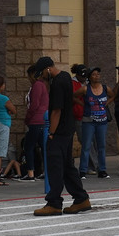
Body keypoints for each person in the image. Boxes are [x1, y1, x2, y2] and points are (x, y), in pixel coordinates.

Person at [32, 56, 91, 216]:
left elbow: (56, 110)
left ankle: (54, 203)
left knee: (55, 166)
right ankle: (81, 199)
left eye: (43, 73)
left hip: (58, 132)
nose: (43, 77)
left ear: (48, 69)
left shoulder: (57, 83)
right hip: (68, 129)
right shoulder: (65, 76)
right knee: (67, 166)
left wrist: (51, 132)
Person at [75, 66, 114, 179]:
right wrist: (83, 105)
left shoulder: (105, 88)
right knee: (86, 146)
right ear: (89, 77)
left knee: (101, 146)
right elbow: (74, 97)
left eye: (98, 74)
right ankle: (82, 170)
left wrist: (107, 103)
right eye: (94, 74)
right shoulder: (85, 89)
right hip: (89, 121)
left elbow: (113, 95)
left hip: (102, 121)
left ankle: (102, 170)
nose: (96, 76)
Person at [23, 64, 48, 181]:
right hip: (43, 120)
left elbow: (34, 105)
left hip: (36, 120)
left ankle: (31, 173)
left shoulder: (37, 86)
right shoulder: (43, 85)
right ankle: (45, 171)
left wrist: (27, 118)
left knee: (29, 146)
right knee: (43, 147)